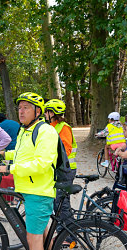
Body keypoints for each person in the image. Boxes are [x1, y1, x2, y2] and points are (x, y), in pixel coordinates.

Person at [0, 92, 59, 250]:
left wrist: (10, 168)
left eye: (26, 108)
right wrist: (4, 155)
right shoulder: (25, 131)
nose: (21, 111)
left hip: (39, 191)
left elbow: (41, 163)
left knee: (34, 239)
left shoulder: (45, 131)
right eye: (19, 107)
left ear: (37, 112)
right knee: (42, 231)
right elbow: (23, 153)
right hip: (30, 188)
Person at [44, 99, 78, 238]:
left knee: (61, 204)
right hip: (59, 170)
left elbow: (66, 150)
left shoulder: (63, 127)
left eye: (47, 111)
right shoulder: (51, 126)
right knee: (58, 203)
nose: (45, 114)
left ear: (53, 113)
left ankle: (69, 236)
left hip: (65, 170)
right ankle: (66, 232)